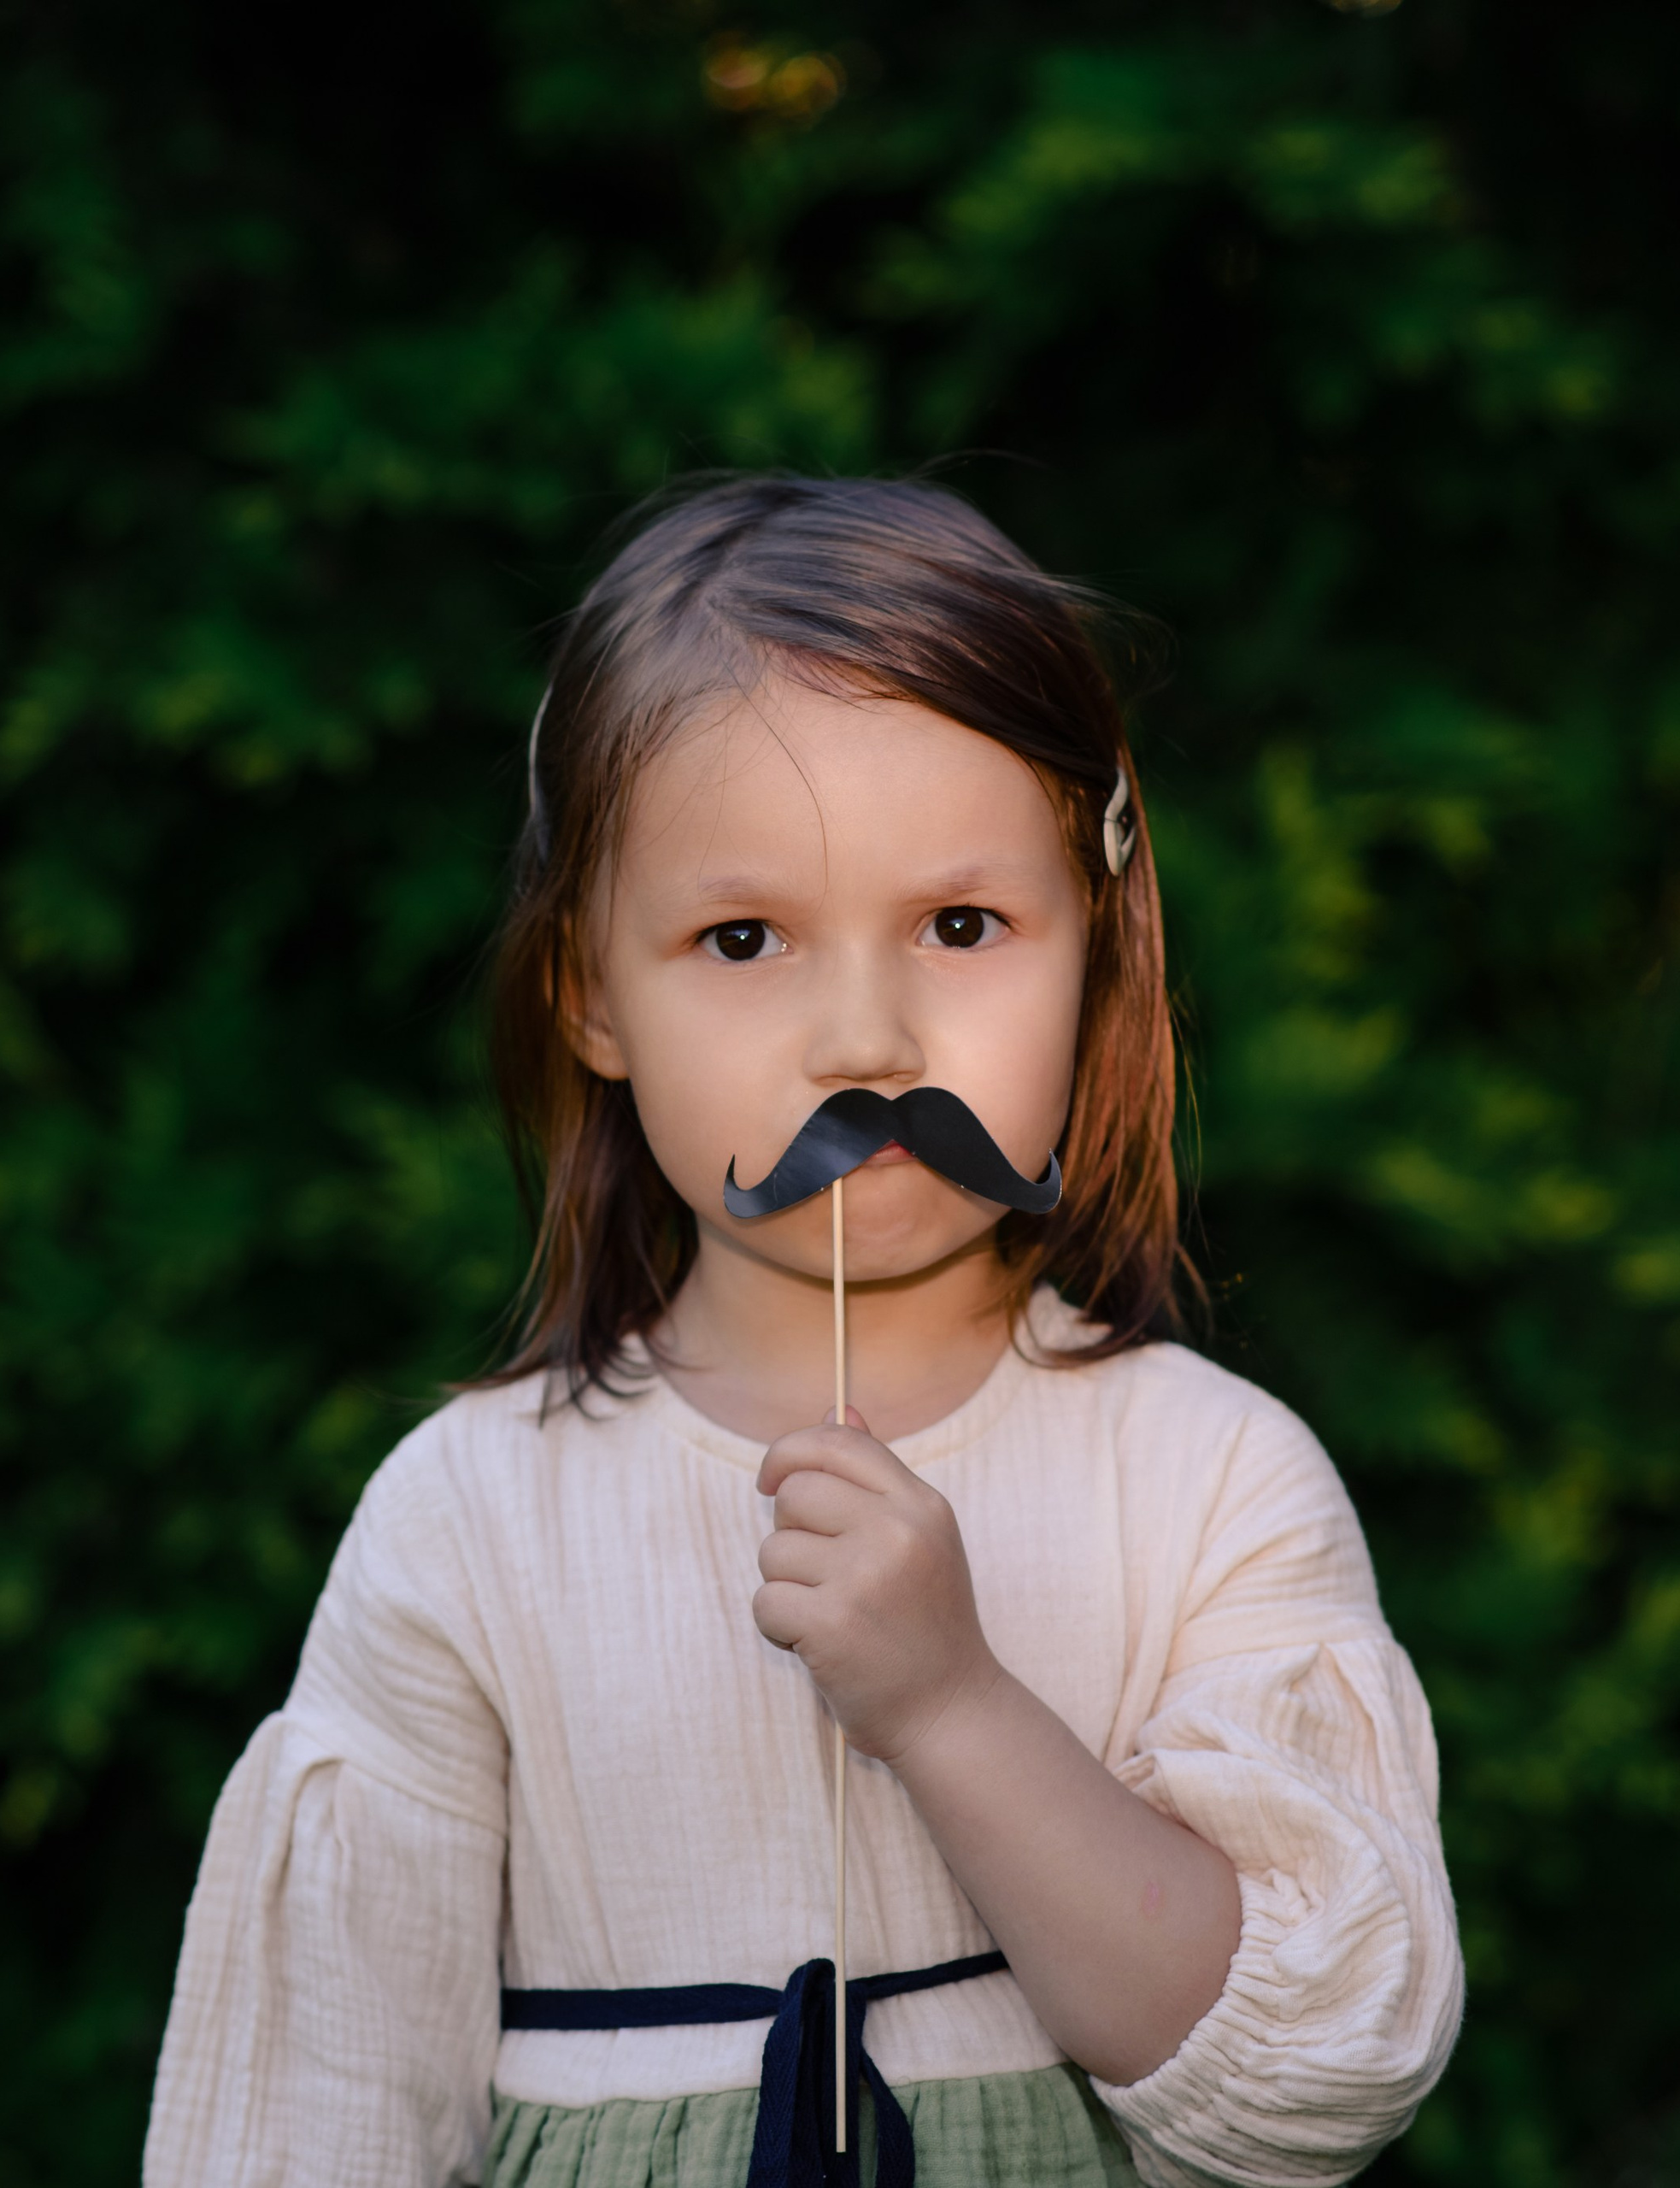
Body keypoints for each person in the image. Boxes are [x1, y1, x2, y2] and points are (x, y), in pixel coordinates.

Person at [144, 476, 1465, 2188]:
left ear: (1093, 951)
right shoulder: (465, 1521)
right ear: (590, 993)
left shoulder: (1208, 1484)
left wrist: (952, 1703)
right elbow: (315, 2119)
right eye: (743, 936)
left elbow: (1311, 2078)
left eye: (961, 925)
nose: (864, 1040)